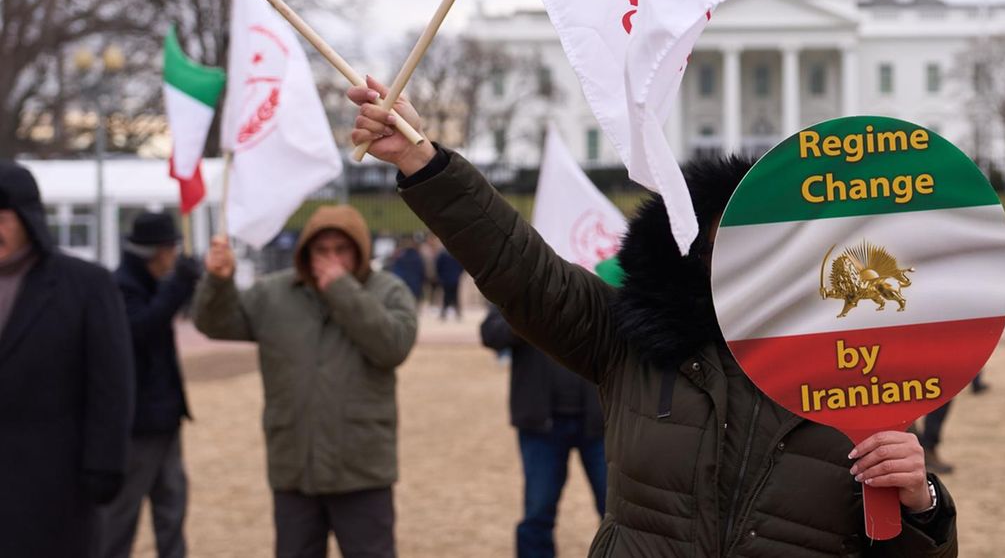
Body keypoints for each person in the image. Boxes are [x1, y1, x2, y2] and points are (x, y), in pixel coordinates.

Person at [348, 78, 958, 556]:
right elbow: (518, 266)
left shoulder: (857, 374)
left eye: (765, 246)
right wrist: (422, 162)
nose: (742, 266)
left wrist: (921, 504)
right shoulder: (630, 340)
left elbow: (902, 547)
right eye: (722, 245)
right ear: (692, 253)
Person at [194, 204, 418, 558]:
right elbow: (216, 323)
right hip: (295, 465)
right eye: (322, 250)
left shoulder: (388, 291)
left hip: (361, 468)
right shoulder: (273, 294)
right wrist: (218, 282)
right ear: (305, 252)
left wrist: (343, 290)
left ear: (359, 251)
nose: (331, 259)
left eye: (341, 250)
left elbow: (393, 347)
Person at [0, 160, 134, 557]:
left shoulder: (85, 285)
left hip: (56, 485)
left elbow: (112, 383)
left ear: (28, 218)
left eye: (3, 217)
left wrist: (105, 466)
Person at [101, 211, 201, 558]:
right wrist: (177, 287)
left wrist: (183, 286)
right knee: (121, 518)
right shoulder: (121, 286)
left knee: (172, 509)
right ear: (157, 251)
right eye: (171, 249)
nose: (174, 257)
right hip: (137, 426)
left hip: (165, 418)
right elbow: (140, 330)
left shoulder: (151, 281)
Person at [482, 304, 607, 558]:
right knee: (538, 513)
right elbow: (491, 334)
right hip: (540, 423)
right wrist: (531, 317)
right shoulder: (523, 281)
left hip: (601, 420)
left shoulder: (602, 270)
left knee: (617, 513)